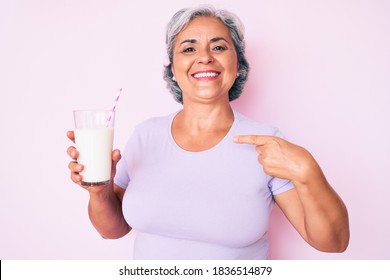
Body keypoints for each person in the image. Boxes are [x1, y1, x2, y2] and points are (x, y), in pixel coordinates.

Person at [67, 5, 349, 259]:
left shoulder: (267, 144)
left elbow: (333, 242)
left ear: (237, 65)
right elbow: (112, 230)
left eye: (218, 47)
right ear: (173, 70)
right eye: (189, 49)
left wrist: (308, 172)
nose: (204, 57)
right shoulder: (146, 135)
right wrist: (100, 191)